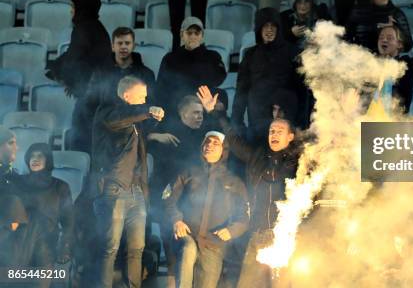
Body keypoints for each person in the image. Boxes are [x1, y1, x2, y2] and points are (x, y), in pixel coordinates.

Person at [198, 85, 300, 288]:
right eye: (272, 130)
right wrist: (215, 111)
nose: (274, 134)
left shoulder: (300, 162)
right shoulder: (256, 156)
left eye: (280, 131)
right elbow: (232, 138)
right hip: (257, 234)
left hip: (286, 237)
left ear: (290, 137)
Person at [91, 76, 165, 288]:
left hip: (136, 190)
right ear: (126, 96)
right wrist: (148, 110)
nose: (145, 99)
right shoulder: (107, 111)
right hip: (114, 188)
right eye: (141, 96)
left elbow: (139, 127)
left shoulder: (135, 119)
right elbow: (118, 120)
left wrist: (154, 118)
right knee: (110, 247)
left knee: (137, 248)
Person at [164, 130, 249, 288]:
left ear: (224, 150)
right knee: (189, 249)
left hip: (213, 244)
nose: (209, 145)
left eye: (215, 143)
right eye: (207, 142)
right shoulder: (188, 172)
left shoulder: (234, 182)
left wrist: (232, 230)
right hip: (186, 235)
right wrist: (176, 220)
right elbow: (168, 198)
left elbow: (244, 216)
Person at [45, 0, 112, 152]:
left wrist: (56, 71)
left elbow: (74, 59)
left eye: (73, 7)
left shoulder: (84, 28)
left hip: (91, 97)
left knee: (80, 142)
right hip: (98, 94)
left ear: (82, 9)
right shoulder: (97, 28)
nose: (71, 11)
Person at [80, 27, 156, 154]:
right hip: (106, 134)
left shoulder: (146, 74)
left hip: (134, 134)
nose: (123, 47)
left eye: (127, 43)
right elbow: (90, 103)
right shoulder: (101, 72)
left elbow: (150, 103)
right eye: (119, 43)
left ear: (134, 46)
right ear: (112, 46)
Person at [232, 8, 300, 140]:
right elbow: (241, 90)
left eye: (273, 26)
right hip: (257, 120)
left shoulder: (292, 52)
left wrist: (301, 122)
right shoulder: (250, 54)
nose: (269, 30)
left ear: (279, 29)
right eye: (265, 26)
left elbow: (302, 90)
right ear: (258, 29)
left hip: (286, 120)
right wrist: (237, 122)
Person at [16, 143, 73, 283]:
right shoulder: (17, 182)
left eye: (40, 155)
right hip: (19, 245)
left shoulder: (60, 186)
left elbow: (69, 222)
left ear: (48, 159)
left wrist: (65, 246)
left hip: (45, 247)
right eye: (32, 156)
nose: (35, 159)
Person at [156, 17, 227, 117]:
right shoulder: (170, 58)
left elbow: (219, 79)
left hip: (205, 110)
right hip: (175, 111)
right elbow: (161, 88)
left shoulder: (213, 57)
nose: (193, 36)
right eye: (189, 33)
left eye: (197, 33)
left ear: (202, 36)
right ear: (181, 35)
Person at [346, 0, 413, 53]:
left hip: (388, 59)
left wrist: (395, 29)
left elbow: (408, 45)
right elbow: (345, 39)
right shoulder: (357, 13)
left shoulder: (396, 13)